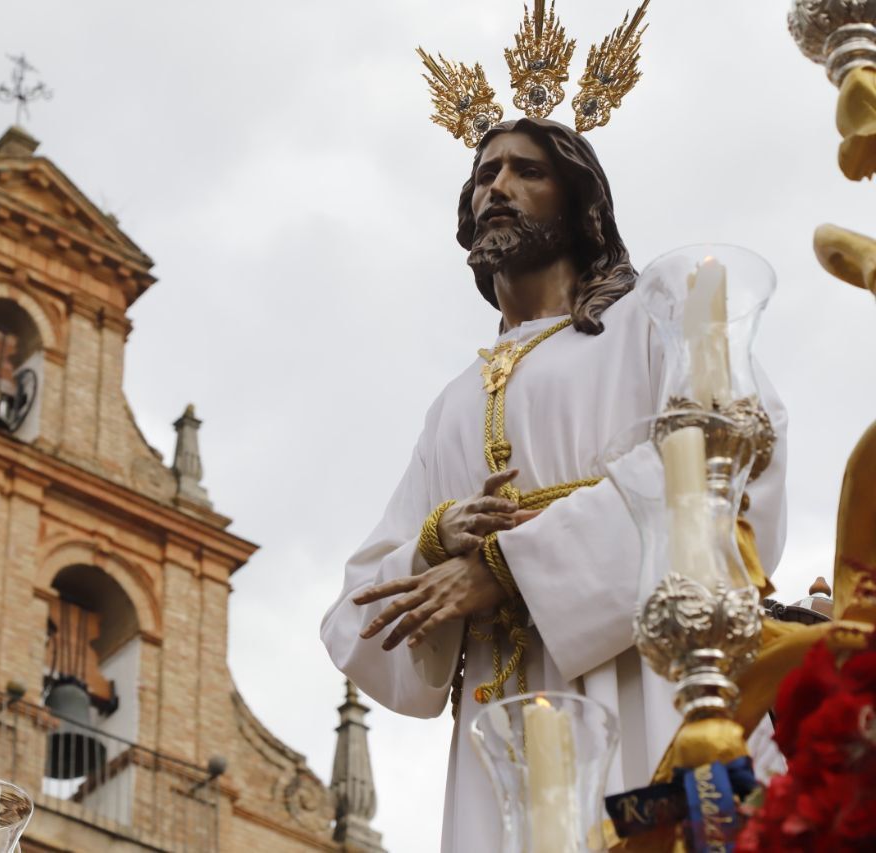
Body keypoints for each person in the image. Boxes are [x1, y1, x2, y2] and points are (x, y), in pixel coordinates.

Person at [319, 117, 787, 851]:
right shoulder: (452, 403)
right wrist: (435, 546)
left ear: (580, 204)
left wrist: (512, 566)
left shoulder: (652, 319)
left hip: (646, 675)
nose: (496, 187)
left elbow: (730, 450)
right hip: (499, 727)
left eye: (526, 172)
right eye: (484, 175)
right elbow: (356, 614)